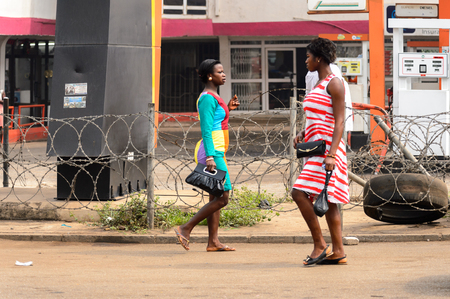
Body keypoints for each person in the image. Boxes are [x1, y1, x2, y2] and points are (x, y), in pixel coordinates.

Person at [292, 38, 349, 265]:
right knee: (331, 200)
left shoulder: (334, 83)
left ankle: (319, 244)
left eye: (308, 57)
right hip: (315, 148)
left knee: (298, 193)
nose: (305, 61)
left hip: (328, 150)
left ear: (319, 58)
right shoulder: (318, 83)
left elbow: (340, 121)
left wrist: (332, 154)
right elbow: (317, 115)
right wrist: (303, 132)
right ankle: (339, 251)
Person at [174, 59, 240, 252]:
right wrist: (210, 157)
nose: (224, 74)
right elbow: (206, 129)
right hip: (213, 153)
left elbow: (217, 121)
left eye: (223, 71)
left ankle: (213, 242)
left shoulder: (213, 97)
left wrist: (228, 108)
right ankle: (185, 228)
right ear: (210, 76)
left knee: (215, 198)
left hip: (218, 151)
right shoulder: (207, 98)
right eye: (220, 72)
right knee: (223, 197)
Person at [306, 64, 353, 134]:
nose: (306, 61)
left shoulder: (333, 75)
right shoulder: (312, 73)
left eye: (309, 56)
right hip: (325, 122)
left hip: (328, 123)